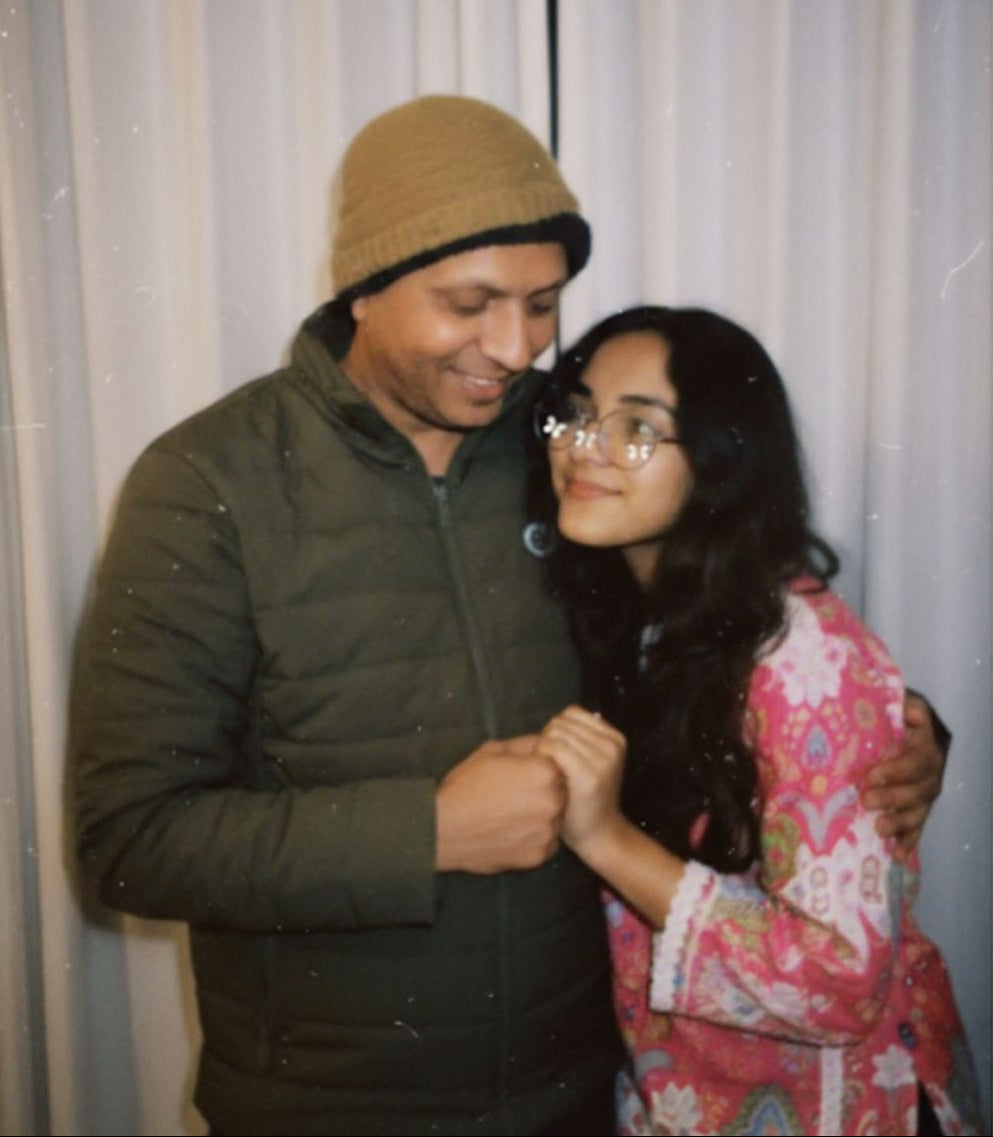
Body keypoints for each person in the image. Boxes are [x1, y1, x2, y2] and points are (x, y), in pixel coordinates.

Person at [71, 96, 945, 1137]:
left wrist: (893, 738)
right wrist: (431, 831)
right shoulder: (206, 484)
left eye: (541, 304)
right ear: (364, 287)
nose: (514, 345)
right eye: (470, 302)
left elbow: (716, 616)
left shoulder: (564, 446)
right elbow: (130, 839)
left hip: (583, 1085)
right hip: (326, 1103)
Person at [529, 306, 982, 1135]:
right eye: (579, 413)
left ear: (719, 463)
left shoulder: (799, 655)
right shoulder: (635, 614)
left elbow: (840, 982)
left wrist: (606, 840)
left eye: (638, 428)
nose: (585, 446)